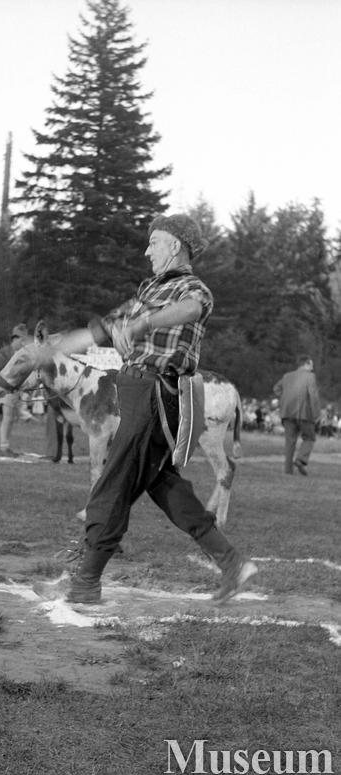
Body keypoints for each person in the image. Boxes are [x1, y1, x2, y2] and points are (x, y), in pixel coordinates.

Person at [50, 213, 257, 605]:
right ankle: (231, 562)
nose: (147, 251)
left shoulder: (192, 287)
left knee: (113, 482)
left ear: (175, 245)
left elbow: (190, 309)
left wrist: (142, 324)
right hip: (137, 394)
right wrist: (48, 350)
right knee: (163, 485)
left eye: (154, 242)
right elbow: (102, 330)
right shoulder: (148, 289)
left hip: (157, 394)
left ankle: (85, 580)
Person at [273, 355, 321, 476]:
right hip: (305, 413)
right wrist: (317, 414)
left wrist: (285, 398)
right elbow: (313, 395)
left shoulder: (287, 376)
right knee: (309, 438)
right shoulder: (310, 376)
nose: (312, 367)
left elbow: (276, 389)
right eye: (312, 365)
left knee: (289, 442)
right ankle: (301, 459)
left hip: (287, 413)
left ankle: (288, 471)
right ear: (306, 364)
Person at [0, 323, 31, 457]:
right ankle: (3, 446)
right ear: (14, 338)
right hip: (5, 388)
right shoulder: (5, 352)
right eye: (21, 340)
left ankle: (5, 445)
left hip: (16, 389)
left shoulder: (22, 353)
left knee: (10, 419)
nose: (23, 343)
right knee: (7, 417)